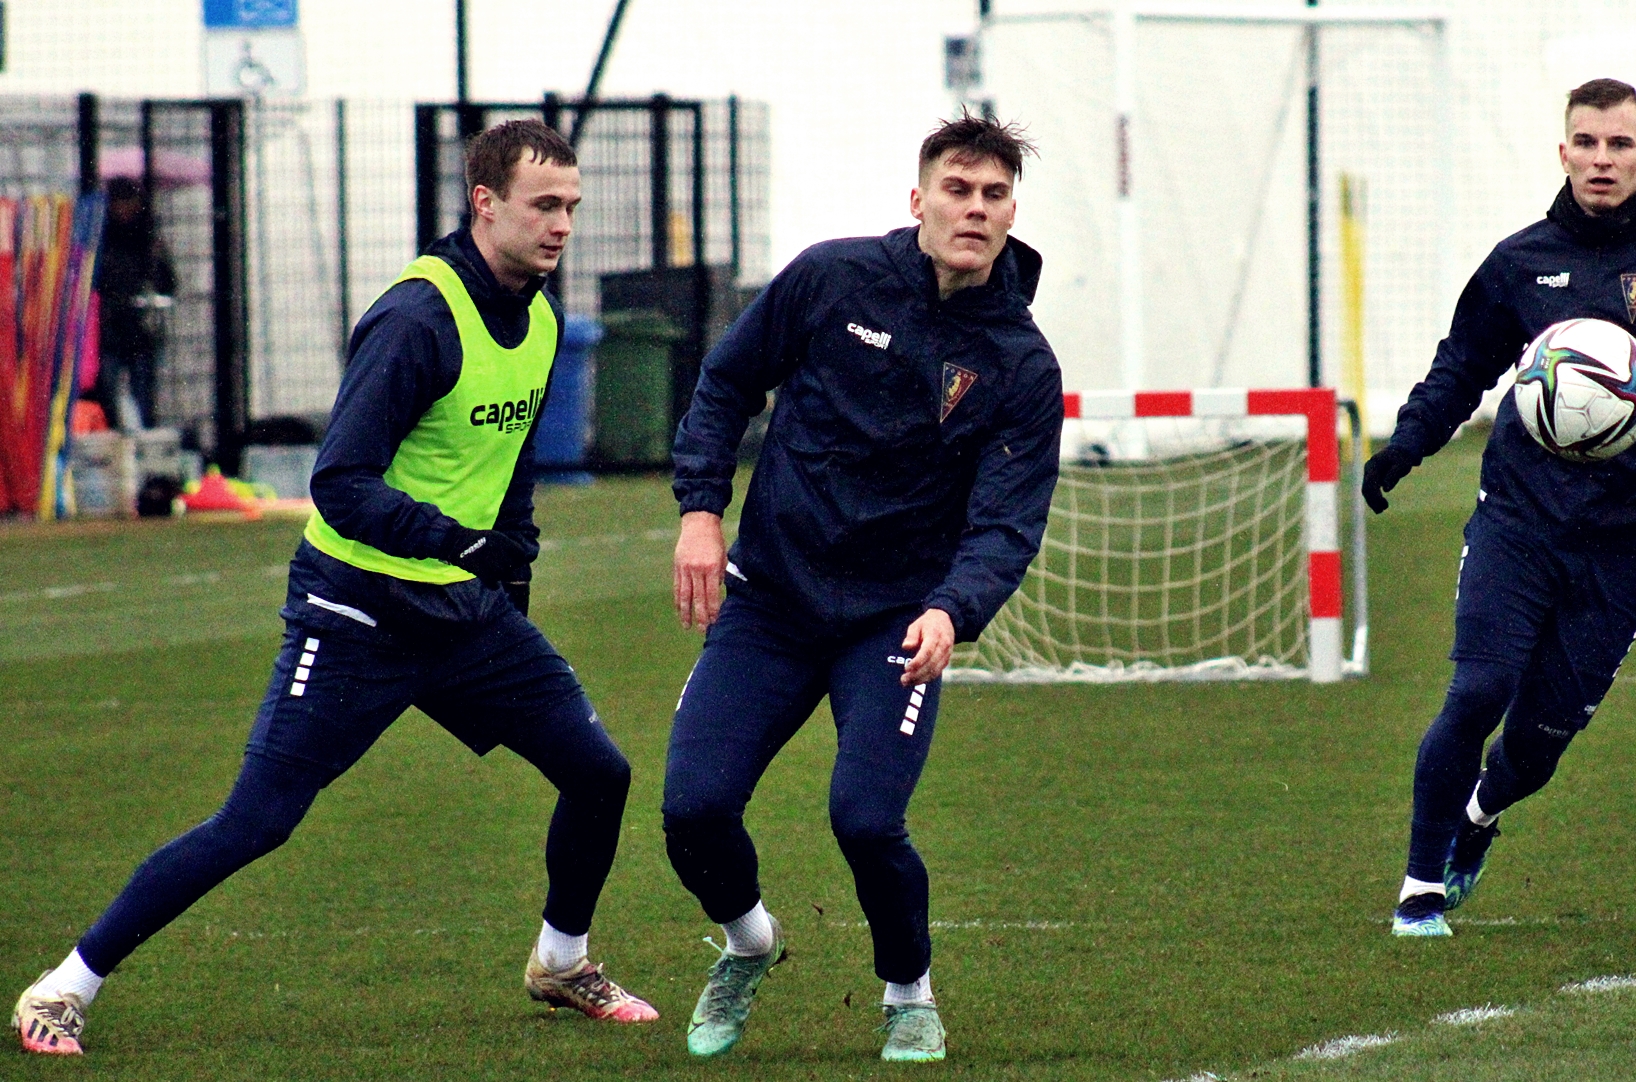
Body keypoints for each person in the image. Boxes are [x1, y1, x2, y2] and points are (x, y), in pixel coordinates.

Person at [13, 120, 657, 1056]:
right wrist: (457, 542)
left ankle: (562, 962)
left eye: (571, 206)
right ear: (484, 204)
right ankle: (64, 986)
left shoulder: (544, 317)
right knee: (257, 822)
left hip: (463, 613)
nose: (562, 225)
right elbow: (341, 484)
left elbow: (510, 459)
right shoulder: (418, 319)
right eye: (543, 205)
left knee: (599, 774)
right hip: (357, 615)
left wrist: (508, 564)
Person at [662, 113, 1061, 1062]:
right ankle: (748, 942)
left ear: (1012, 213)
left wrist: (952, 608)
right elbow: (725, 382)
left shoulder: (1020, 363)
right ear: (918, 200)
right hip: (770, 600)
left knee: (867, 820)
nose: (975, 208)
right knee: (694, 809)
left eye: (994, 194)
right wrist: (701, 511)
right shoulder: (830, 278)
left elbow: (1007, 521)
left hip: (894, 620)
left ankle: (908, 992)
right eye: (957, 190)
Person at [1363, 79, 1636, 937]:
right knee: (1478, 688)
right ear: (1563, 153)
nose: (1602, 160)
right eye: (1586, 144)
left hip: (1630, 539)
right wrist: (1408, 442)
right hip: (1519, 520)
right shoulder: (1521, 261)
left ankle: (1480, 814)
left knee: (1540, 739)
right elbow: (1463, 365)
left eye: (1619, 144)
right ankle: (1419, 889)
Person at [90, 176, 175, 431]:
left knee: (142, 391)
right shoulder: (102, 241)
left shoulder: (147, 240)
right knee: (107, 389)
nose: (124, 210)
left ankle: (141, 434)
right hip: (109, 327)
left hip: (138, 327)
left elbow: (167, 281)